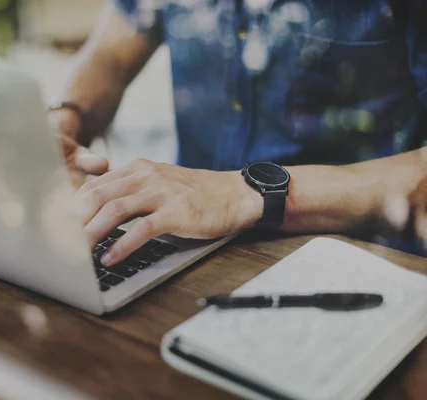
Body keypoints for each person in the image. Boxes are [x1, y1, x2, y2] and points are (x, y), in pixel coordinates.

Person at [47, 0, 427, 266]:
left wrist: (244, 194)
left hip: (359, 264)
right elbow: (110, 55)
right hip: (183, 247)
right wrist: (66, 116)